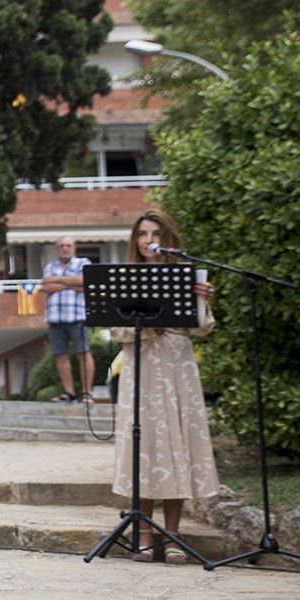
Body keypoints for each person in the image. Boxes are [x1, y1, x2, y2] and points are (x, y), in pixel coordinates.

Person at [110, 208, 218, 564]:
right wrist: (145, 322)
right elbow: (117, 331)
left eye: (155, 233)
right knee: (146, 446)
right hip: (141, 366)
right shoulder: (127, 278)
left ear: (168, 238)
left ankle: (172, 535)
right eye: (142, 234)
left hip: (177, 366)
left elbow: (203, 327)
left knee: (177, 445)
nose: (148, 241)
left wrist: (202, 298)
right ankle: (142, 533)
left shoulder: (184, 276)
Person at [40, 235, 95, 404]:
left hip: (78, 316)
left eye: (68, 245)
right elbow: (46, 286)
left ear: (74, 247)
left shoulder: (83, 263)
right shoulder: (50, 266)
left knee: (83, 353)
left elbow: (85, 281)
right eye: (62, 245)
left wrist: (58, 280)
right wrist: (73, 284)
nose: (65, 248)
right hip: (55, 318)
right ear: (57, 249)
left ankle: (86, 393)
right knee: (60, 355)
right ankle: (69, 392)